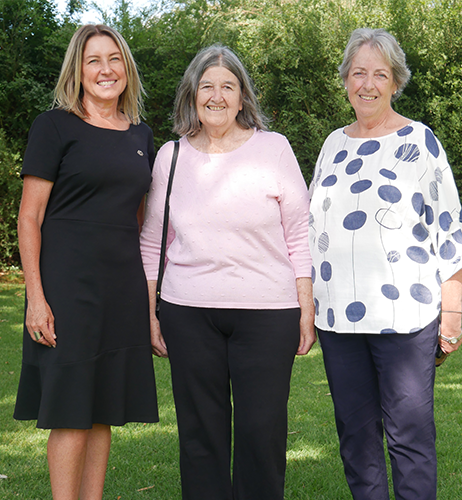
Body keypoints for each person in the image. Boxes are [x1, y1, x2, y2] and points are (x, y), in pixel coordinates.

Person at [139, 44, 315, 500]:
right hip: (188, 311)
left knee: (262, 433)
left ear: (242, 98)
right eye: (207, 86)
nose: (216, 96)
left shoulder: (274, 149)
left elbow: (300, 234)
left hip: (267, 312)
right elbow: (153, 241)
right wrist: (152, 312)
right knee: (201, 438)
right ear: (192, 95)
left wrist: (306, 307)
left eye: (228, 87)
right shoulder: (170, 157)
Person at [308, 28, 462, 500]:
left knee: (410, 438)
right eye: (358, 72)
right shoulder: (332, 146)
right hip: (339, 320)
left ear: (395, 82)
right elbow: (312, 229)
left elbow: (450, 233)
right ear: (344, 80)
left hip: (406, 320)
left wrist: (453, 315)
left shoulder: (420, 142)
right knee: (356, 440)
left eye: (379, 74)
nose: (368, 84)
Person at [13, 24, 159, 500]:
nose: (105, 70)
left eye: (114, 59)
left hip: (121, 288)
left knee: (103, 409)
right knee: (71, 410)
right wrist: (36, 297)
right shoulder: (53, 126)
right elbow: (29, 217)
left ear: (127, 68)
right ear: (77, 70)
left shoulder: (141, 134)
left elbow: (139, 219)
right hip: (68, 287)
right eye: (93, 60)